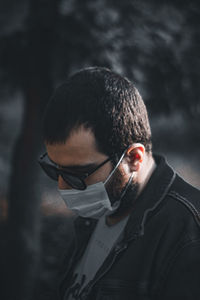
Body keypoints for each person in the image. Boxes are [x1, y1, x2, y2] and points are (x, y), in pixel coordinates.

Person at [39, 67, 200, 300]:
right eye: (55, 170)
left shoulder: (187, 234)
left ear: (134, 158)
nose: (63, 187)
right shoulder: (99, 211)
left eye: (78, 174)